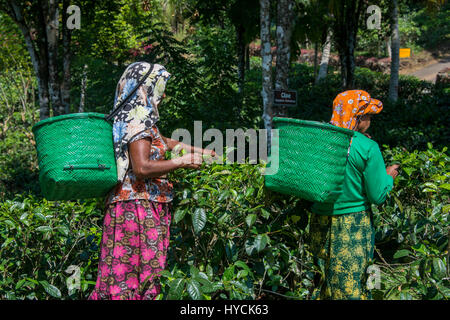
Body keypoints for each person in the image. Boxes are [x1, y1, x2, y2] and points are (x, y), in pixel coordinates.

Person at [89, 62, 215, 300]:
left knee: (132, 277)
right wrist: (183, 162)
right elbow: (142, 167)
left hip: (138, 207)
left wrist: (206, 153)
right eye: (159, 87)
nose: (163, 94)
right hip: (136, 211)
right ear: (144, 88)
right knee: (132, 279)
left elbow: (166, 143)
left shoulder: (137, 119)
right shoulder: (137, 120)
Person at [309, 90, 399, 300]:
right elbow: (378, 196)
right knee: (354, 286)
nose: (370, 120)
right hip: (353, 225)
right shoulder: (368, 147)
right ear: (358, 118)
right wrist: (389, 177)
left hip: (318, 222)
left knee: (321, 283)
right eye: (368, 115)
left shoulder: (319, 141)